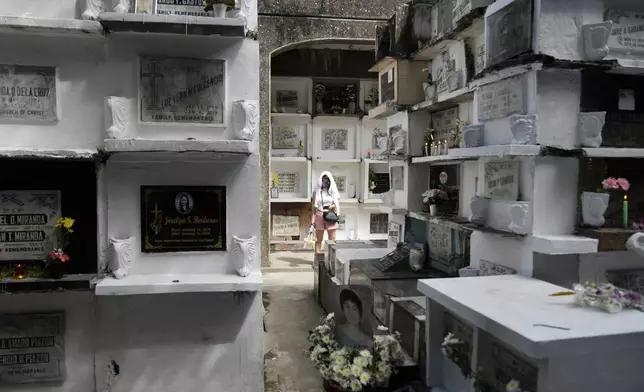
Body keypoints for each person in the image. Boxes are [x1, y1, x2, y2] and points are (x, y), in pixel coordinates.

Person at [309, 171, 340, 254]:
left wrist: (332, 206)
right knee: (318, 240)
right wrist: (312, 223)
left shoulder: (333, 191)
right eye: (323, 181)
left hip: (330, 215)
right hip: (319, 214)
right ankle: (317, 260)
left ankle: (331, 260)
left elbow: (336, 204)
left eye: (327, 181)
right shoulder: (316, 192)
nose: (325, 183)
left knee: (332, 240)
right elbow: (313, 208)